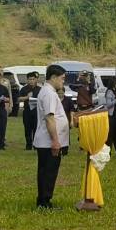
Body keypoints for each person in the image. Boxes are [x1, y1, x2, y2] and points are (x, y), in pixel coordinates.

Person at [34, 63, 70, 209]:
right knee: (48, 173)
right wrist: (55, 141)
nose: (63, 82)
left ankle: (42, 200)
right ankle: (45, 202)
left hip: (46, 141)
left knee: (45, 172)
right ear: (54, 77)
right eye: (62, 78)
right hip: (48, 142)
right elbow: (50, 118)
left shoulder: (48, 91)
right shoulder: (49, 93)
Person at [18, 71, 41, 150]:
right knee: (27, 129)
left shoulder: (40, 89)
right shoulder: (24, 89)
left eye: (33, 79)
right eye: (30, 79)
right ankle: (28, 145)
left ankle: (36, 145)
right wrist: (27, 97)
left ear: (36, 80)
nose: (31, 81)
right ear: (27, 80)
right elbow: (18, 99)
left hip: (37, 112)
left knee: (36, 129)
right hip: (27, 112)